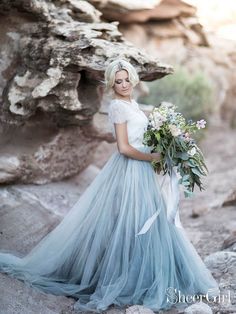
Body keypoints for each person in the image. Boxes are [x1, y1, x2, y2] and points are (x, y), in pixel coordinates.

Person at [0, 59, 220, 313]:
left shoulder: (132, 103)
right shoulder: (117, 106)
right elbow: (124, 147)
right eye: (119, 81)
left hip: (144, 169)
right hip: (129, 170)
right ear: (112, 83)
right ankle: (124, 277)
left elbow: (143, 137)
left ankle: (151, 274)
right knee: (133, 223)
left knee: (153, 221)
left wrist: (165, 147)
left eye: (127, 79)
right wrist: (153, 157)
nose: (124, 84)